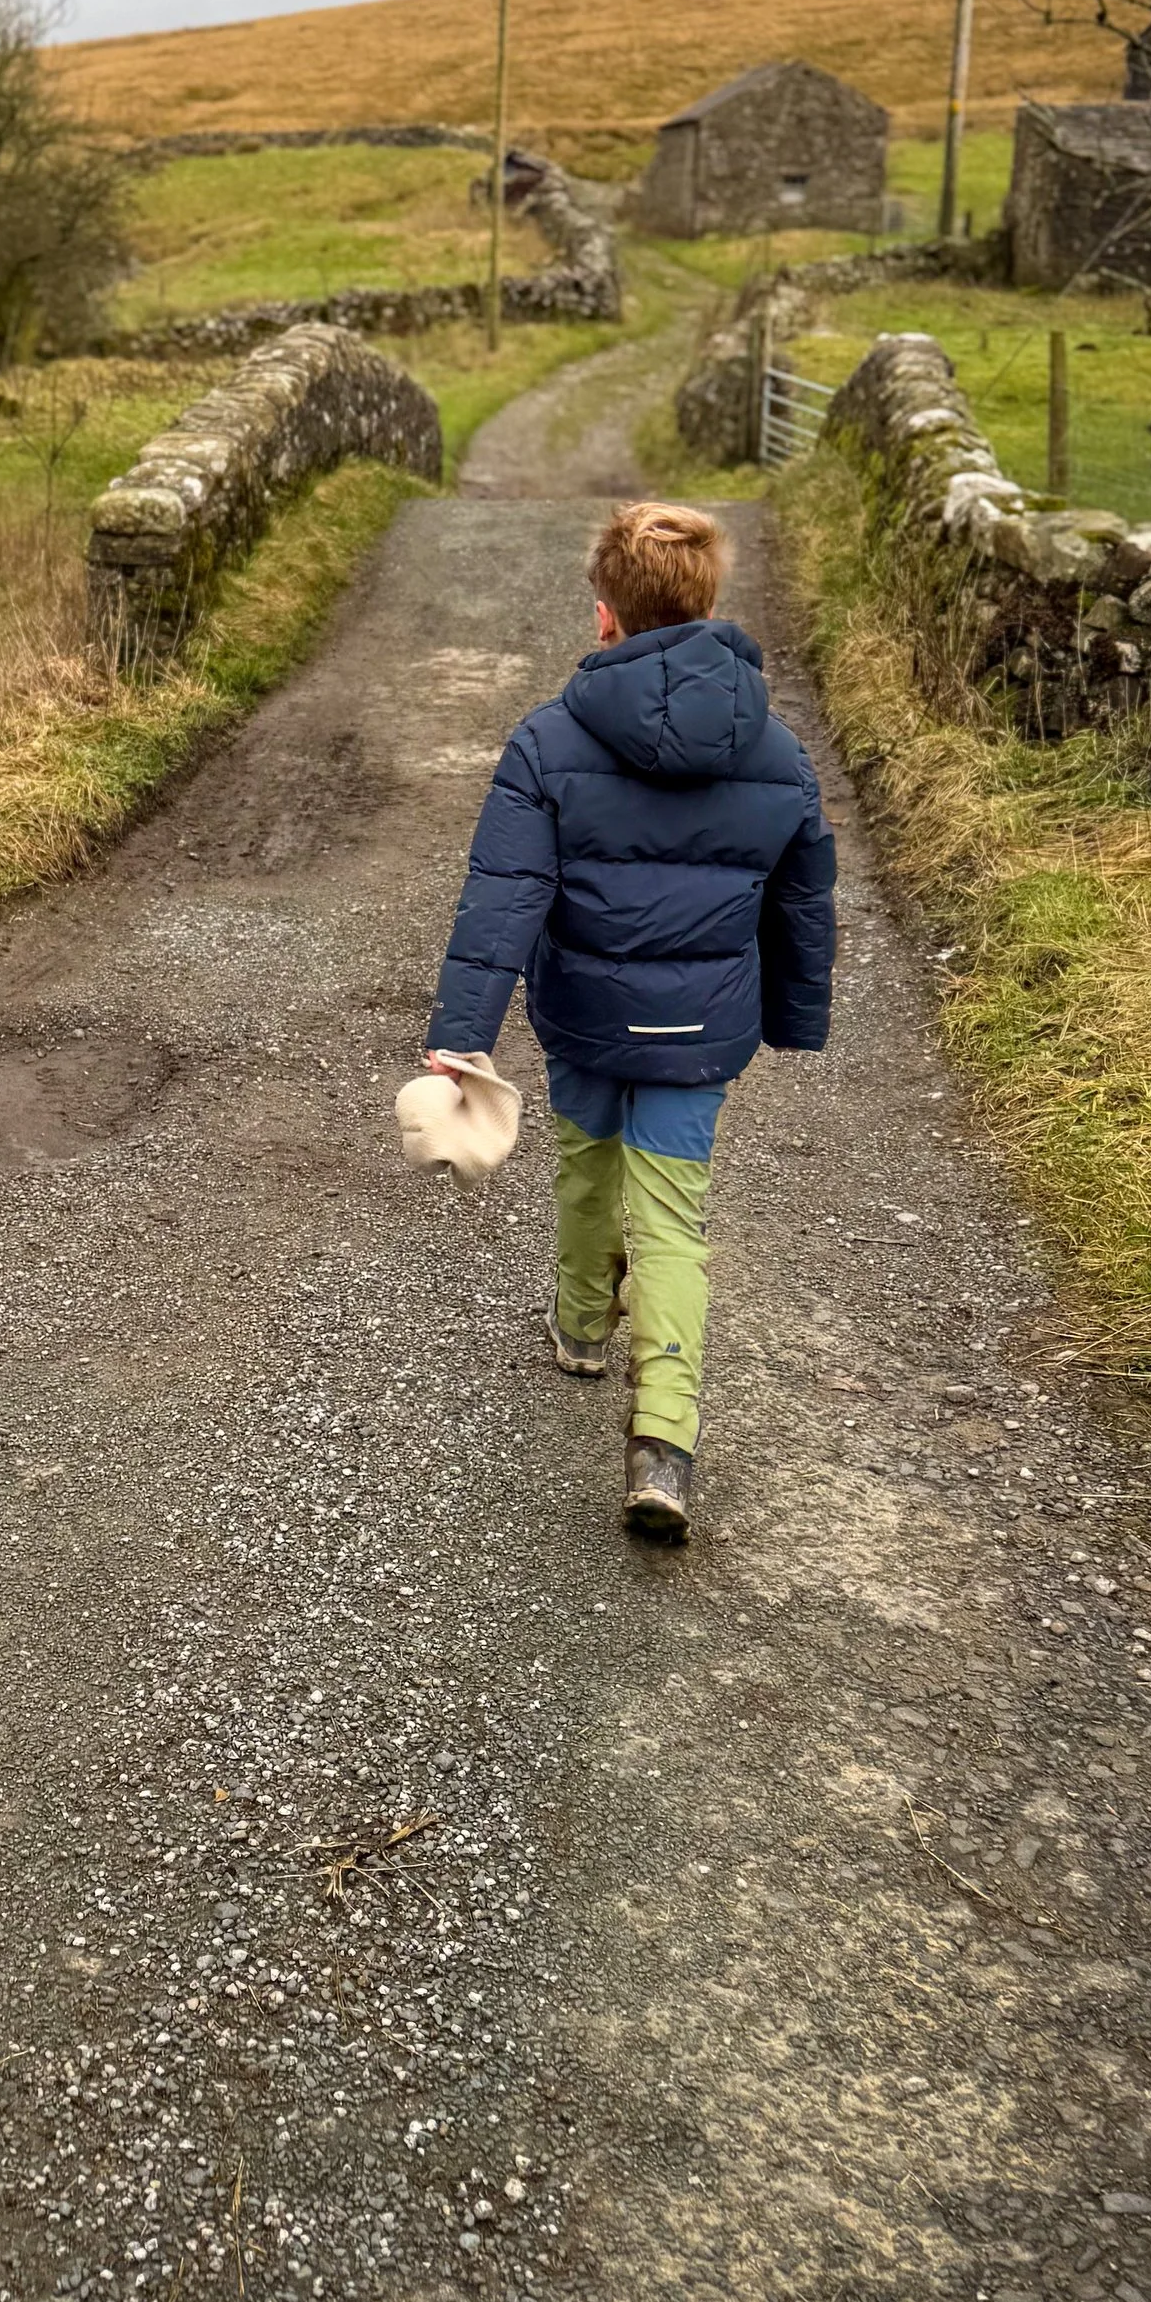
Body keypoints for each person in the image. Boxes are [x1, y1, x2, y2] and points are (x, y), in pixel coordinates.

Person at [421, 501, 837, 1542]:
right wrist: (795, 1017)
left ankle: (575, 1330)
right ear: (705, 605)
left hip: (585, 1014)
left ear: (605, 615)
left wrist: (461, 1034)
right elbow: (801, 904)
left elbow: (501, 898)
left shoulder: (548, 738)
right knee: (671, 1220)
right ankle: (662, 1443)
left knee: (582, 1165)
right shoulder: (778, 753)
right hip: (702, 1030)